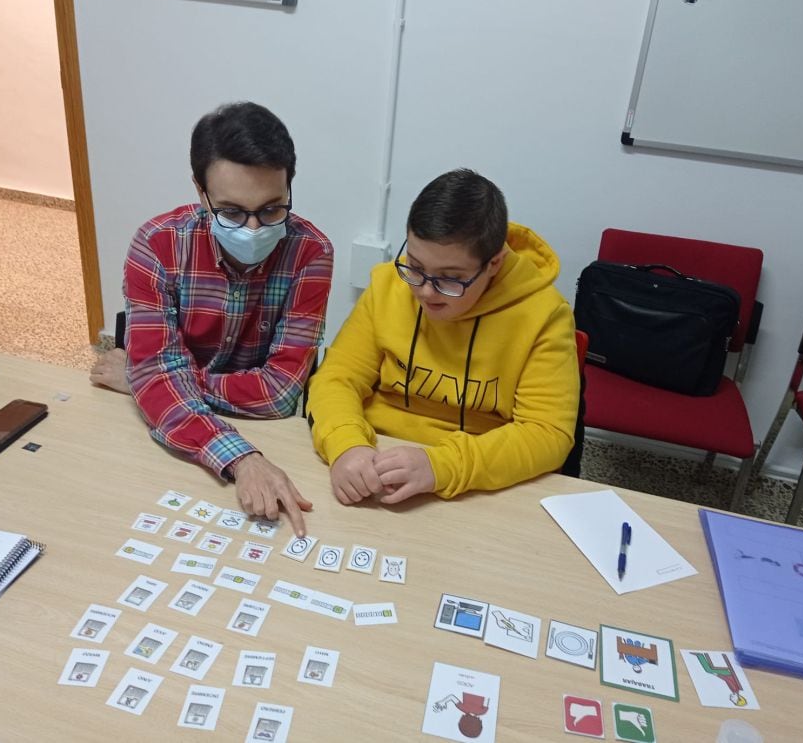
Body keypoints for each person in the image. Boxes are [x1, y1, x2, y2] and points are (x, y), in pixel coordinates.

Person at [90, 102, 333, 535]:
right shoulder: (157, 245)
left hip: (245, 431)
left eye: (273, 208)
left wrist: (146, 380)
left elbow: (278, 395)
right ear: (200, 193)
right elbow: (160, 376)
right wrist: (240, 457)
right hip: (200, 447)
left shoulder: (312, 252)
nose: (255, 228)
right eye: (233, 212)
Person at [307, 168, 578, 505]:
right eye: (415, 266)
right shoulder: (388, 287)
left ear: (494, 263)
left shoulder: (544, 315)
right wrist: (347, 443)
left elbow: (547, 434)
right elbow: (337, 378)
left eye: (451, 278)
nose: (424, 291)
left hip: (477, 479)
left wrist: (441, 466)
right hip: (375, 454)